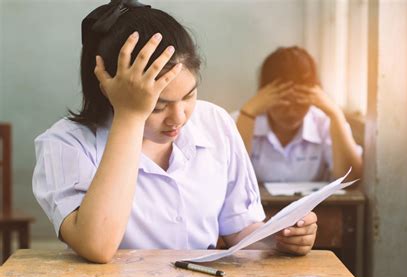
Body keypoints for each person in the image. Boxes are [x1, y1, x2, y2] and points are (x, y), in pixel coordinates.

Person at [32, 1, 317, 263]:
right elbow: (96, 245)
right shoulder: (64, 144)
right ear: (109, 90)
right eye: (158, 107)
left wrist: (280, 237)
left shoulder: (216, 123)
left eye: (189, 96)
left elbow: (240, 228)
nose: (178, 118)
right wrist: (130, 117)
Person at [235, 47, 363, 182]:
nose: (291, 112)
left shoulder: (323, 122)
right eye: (282, 102)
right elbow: (230, 175)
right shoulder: (242, 120)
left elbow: (349, 179)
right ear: (264, 95)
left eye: (300, 103)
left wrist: (335, 114)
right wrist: (248, 113)